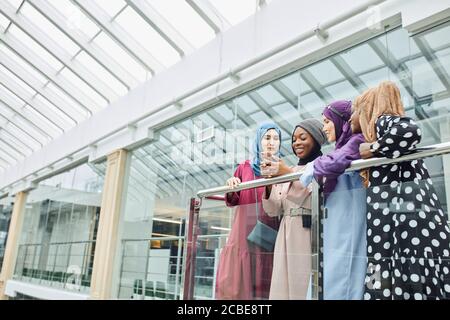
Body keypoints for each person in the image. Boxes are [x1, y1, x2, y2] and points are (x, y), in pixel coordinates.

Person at [355, 81, 450, 300]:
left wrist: (374, 148)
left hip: (399, 228)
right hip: (411, 226)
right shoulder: (391, 140)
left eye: (360, 111)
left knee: (383, 275)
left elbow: (410, 130)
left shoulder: (382, 123)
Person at [273, 100, 367, 299]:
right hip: (328, 224)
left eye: (327, 121)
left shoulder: (354, 143)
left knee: (338, 274)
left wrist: (291, 172)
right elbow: (274, 206)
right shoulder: (341, 149)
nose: (324, 127)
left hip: (341, 222)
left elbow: (329, 165)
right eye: (293, 138)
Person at [261, 119, 327, 300]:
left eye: (303, 137)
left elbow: (312, 195)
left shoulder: (323, 164)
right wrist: (267, 183)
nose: (296, 142)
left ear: (316, 139)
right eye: (294, 139)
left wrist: (286, 174)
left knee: (301, 284)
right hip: (284, 231)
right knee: (281, 284)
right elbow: (273, 209)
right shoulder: (289, 169)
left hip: (307, 232)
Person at [215, 122, 282, 300]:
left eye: (276, 138)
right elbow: (232, 201)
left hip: (268, 234)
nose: (271, 142)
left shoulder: (282, 169)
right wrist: (231, 185)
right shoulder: (244, 167)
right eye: (267, 137)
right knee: (236, 286)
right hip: (243, 232)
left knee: (262, 288)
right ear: (259, 140)